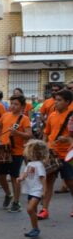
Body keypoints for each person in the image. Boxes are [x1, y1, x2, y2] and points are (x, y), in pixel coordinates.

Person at [39, 89, 73, 219]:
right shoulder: (52, 115)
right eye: (55, 100)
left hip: (67, 155)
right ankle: (44, 210)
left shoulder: (71, 116)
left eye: (59, 100)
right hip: (52, 154)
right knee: (49, 182)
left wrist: (66, 140)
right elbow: (46, 133)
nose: (56, 103)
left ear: (68, 102)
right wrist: (43, 147)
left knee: (70, 182)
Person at [0, 94, 32, 212]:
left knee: (14, 176)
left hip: (17, 151)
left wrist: (17, 133)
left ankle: (16, 202)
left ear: (22, 106)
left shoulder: (24, 119)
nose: (13, 106)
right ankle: (8, 194)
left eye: (16, 104)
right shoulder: (5, 115)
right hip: (3, 149)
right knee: (1, 176)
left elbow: (29, 135)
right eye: (11, 103)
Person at [18, 140, 48, 239]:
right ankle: (34, 228)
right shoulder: (30, 164)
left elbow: (42, 178)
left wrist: (44, 191)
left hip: (37, 190)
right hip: (30, 190)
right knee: (33, 212)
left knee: (30, 209)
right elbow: (25, 173)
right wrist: (21, 178)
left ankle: (36, 229)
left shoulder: (39, 165)